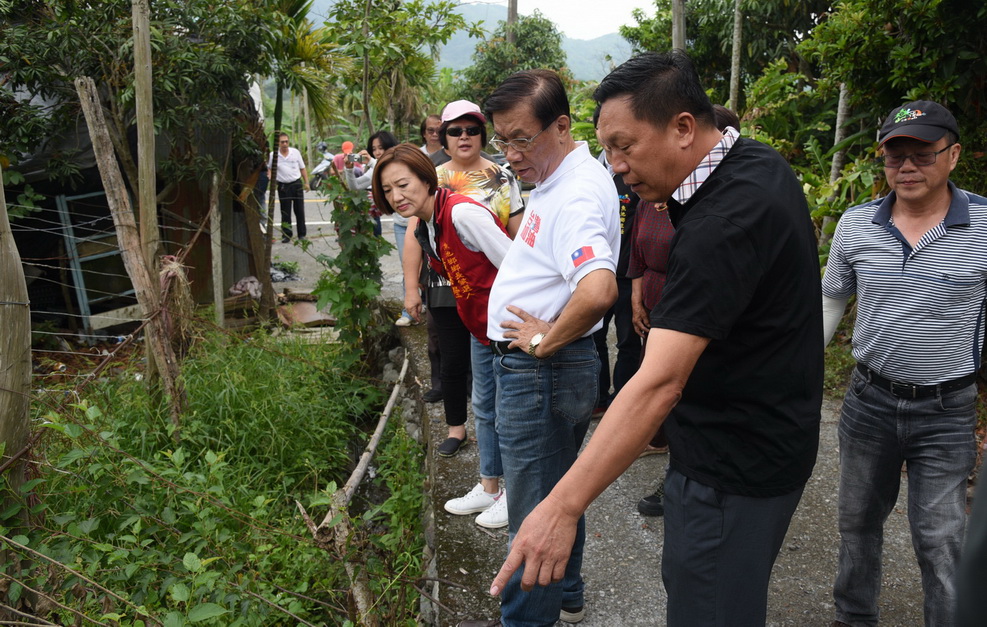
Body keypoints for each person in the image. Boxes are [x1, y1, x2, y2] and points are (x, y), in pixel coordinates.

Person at [484, 51, 822, 627]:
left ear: (684, 128)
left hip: (732, 463)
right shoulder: (754, 160)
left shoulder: (723, 223)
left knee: (707, 604)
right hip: (762, 438)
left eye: (624, 146)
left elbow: (659, 381)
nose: (614, 166)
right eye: (608, 149)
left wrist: (561, 507)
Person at [457, 69, 619, 627]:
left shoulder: (573, 192)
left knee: (532, 516)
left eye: (521, 138)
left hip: (541, 370)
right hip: (552, 367)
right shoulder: (560, 178)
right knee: (557, 494)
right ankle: (566, 594)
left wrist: (547, 338)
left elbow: (598, 289)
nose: (510, 153)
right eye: (502, 139)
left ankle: (527, 619)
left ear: (562, 126)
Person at [822, 100, 986, 627]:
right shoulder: (856, 224)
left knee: (941, 540)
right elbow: (831, 302)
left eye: (922, 155)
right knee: (857, 523)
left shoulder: (983, 223)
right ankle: (854, 616)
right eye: (895, 158)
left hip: (947, 408)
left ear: (953, 154)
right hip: (868, 401)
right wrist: (800, 375)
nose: (907, 168)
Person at [633, 104, 741, 518]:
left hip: (688, 312)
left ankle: (681, 476)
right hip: (658, 296)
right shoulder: (660, 188)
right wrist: (637, 292)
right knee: (656, 381)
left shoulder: (716, 212)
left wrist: (566, 502)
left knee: (678, 390)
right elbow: (638, 245)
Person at [426, 99, 524, 528]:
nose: (463, 136)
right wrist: (413, 286)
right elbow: (418, 234)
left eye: (471, 129)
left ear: (483, 134)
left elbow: (517, 226)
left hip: (500, 292)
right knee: (482, 397)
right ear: (441, 136)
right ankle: (489, 486)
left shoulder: (502, 174)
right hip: (458, 294)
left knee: (510, 400)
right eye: (454, 130)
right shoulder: (431, 179)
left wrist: (530, 274)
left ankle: (514, 492)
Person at [590, 155, 642, 422]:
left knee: (629, 343)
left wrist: (637, 283)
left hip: (628, 277)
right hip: (598, 273)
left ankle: (621, 402)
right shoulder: (594, 174)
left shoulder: (636, 176)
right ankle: (597, 400)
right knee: (594, 338)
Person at [344, 130, 399, 239]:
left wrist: (371, 162)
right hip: (400, 222)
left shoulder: (400, 163)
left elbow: (388, 171)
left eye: (381, 147)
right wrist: (349, 169)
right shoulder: (375, 168)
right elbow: (355, 186)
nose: (377, 152)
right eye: (374, 149)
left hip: (414, 218)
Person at [269, 133, 309, 243]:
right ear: (278, 143)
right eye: (282, 142)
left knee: (299, 210)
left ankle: (301, 234)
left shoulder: (295, 153)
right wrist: (270, 178)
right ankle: (286, 235)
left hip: (296, 184)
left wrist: (306, 182)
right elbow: (270, 168)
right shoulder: (274, 155)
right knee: (285, 211)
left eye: (286, 141)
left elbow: (302, 168)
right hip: (283, 185)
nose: (285, 144)